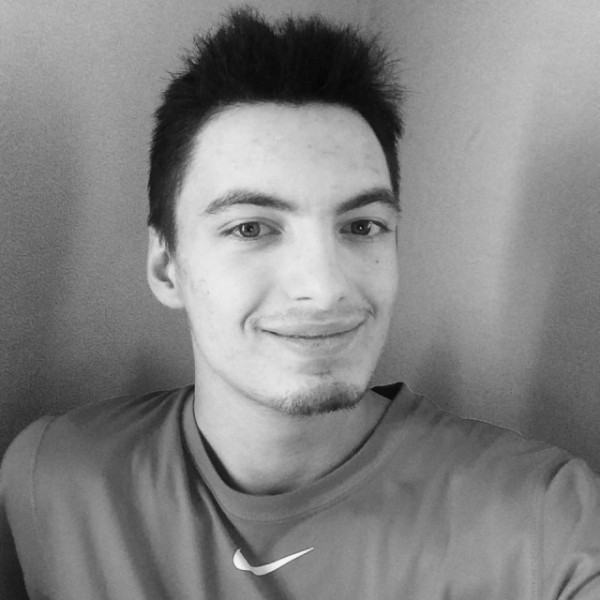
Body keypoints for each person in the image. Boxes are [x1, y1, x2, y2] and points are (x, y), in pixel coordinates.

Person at [1, 8, 599, 599]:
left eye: (361, 226)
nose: (325, 286)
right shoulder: (50, 479)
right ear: (166, 267)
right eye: (251, 228)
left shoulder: (546, 521)